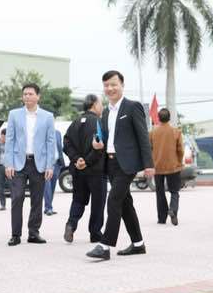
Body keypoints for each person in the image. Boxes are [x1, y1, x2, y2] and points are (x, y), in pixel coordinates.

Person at [86, 71, 155, 260]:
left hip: (127, 163)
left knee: (113, 200)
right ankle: (138, 244)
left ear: (122, 85)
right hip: (110, 163)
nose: (110, 88)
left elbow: (143, 136)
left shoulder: (133, 107)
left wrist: (148, 164)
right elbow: (106, 138)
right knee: (125, 204)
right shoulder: (106, 112)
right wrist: (97, 143)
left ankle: (105, 245)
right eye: (106, 85)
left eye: (113, 84)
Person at [3, 83, 57, 244]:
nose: (27, 97)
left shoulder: (47, 116)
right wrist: (8, 164)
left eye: (30, 94)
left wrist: (50, 165)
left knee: (37, 199)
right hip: (18, 163)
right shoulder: (14, 114)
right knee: (17, 197)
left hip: (38, 164)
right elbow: (10, 140)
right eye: (25, 94)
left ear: (38, 96)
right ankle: (15, 234)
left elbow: (50, 142)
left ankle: (33, 233)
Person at [63, 94, 107, 243]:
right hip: (95, 170)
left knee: (78, 199)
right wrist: (86, 161)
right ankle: (95, 233)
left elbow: (66, 143)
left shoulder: (75, 122)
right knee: (98, 202)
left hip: (77, 170)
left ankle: (71, 224)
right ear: (94, 104)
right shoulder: (98, 122)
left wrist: (77, 159)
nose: (102, 106)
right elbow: (100, 147)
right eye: (101, 103)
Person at [150, 107, 185, 225]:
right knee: (174, 191)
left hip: (157, 167)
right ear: (169, 118)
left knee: (160, 193)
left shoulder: (152, 132)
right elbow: (180, 150)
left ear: (158, 118)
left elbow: (149, 149)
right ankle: (173, 209)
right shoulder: (176, 132)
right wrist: (180, 162)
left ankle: (161, 218)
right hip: (173, 166)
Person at [43, 128, 65, 216]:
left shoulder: (58, 133)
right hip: (46, 163)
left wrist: (61, 162)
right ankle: (48, 208)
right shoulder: (42, 133)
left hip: (56, 163)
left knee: (52, 186)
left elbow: (60, 148)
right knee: (47, 186)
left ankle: (48, 206)